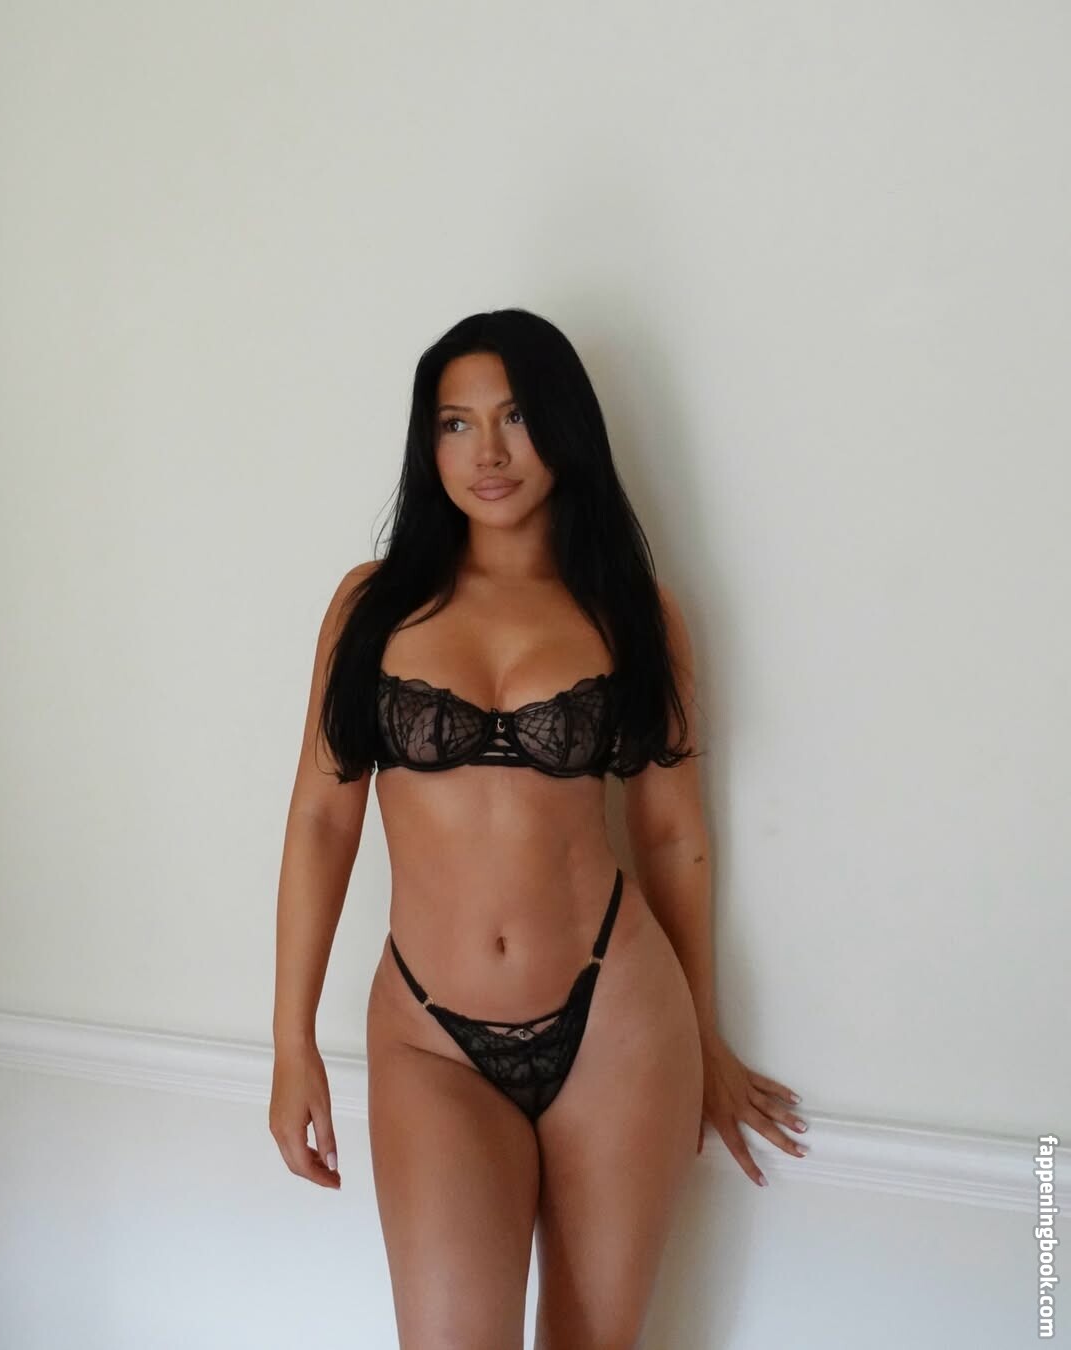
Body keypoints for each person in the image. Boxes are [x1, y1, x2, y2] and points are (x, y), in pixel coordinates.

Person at [269, 309, 805, 1349]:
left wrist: (702, 1031)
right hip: (429, 1034)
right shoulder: (370, 607)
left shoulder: (636, 613)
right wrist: (292, 1044)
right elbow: (322, 821)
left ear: (564, 426)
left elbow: (673, 839)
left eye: (515, 418)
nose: (489, 452)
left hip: (618, 1021)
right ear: (428, 444)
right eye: (456, 423)